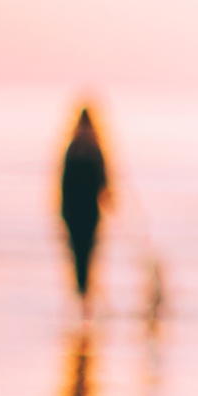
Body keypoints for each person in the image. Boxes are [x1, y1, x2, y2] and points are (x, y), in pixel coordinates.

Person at [58, 104, 110, 302]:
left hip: (75, 213)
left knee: (79, 254)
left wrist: (62, 211)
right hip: (87, 214)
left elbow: (63, 185)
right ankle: (84, 298)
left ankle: (82, 296)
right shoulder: (94, 150)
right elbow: (104, 183)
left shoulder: (73, 149)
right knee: (86, 253)